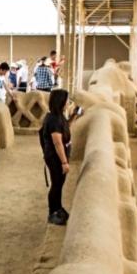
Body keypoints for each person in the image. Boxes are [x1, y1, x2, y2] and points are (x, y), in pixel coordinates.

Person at [39, 89, 78, 226]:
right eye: (67, 100)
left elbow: (65, 127)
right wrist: (64, 162)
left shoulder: (58, 116)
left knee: (59, 183)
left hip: (58, 157)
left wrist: (74, 116)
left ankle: (58, 208)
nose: (68, 102)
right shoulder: (54, 120)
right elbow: (57, 143)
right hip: (55, 158)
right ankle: (52, 213)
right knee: (56, 184)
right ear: (61, 101)